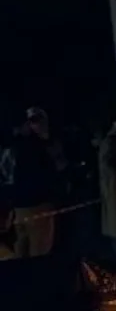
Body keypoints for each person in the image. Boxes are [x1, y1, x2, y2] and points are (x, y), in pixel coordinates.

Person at [10, 107, 68, 257]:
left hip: (19, 207)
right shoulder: (41, 146)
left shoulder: (15, 145)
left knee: (21, 252)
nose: (36, 125)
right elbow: (59, 168)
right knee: (39, 253)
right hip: (38, 206)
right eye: (33, 122)